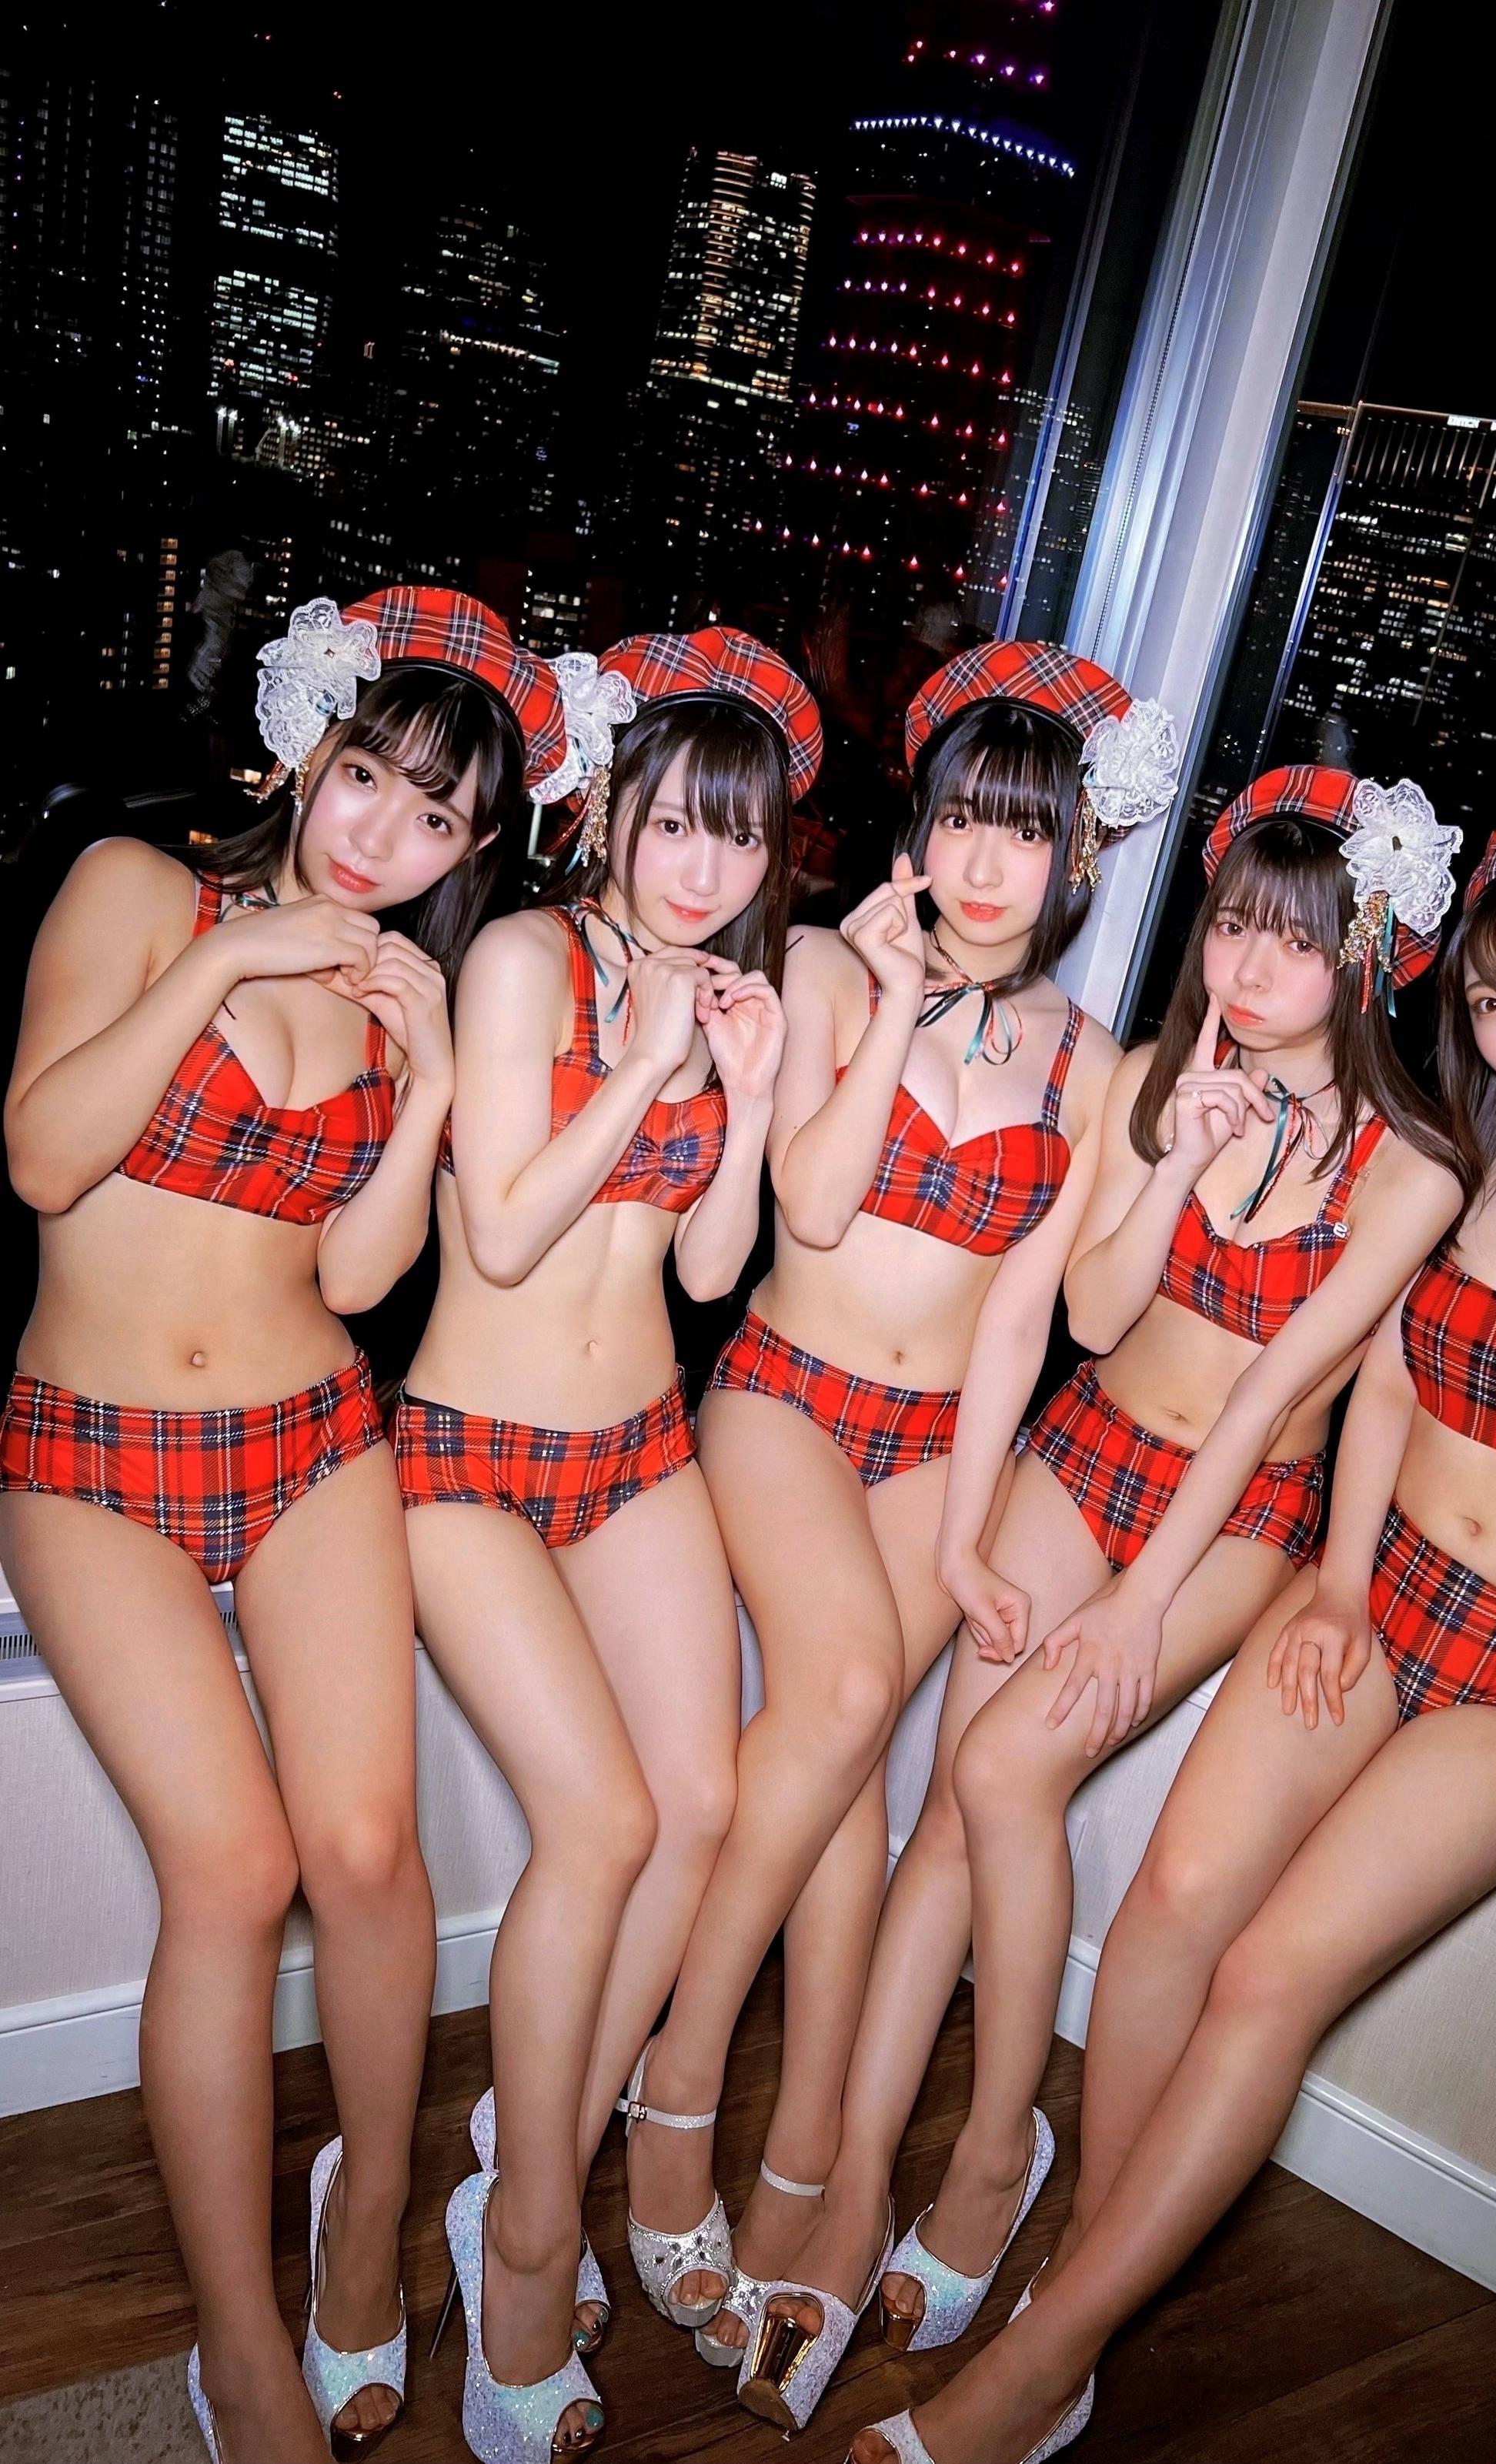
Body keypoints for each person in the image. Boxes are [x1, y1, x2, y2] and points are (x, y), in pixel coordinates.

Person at [853, 787, 1496, 2464]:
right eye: (1492, 995)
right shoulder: (1493, 1151)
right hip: (1379, 1587)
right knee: (1165, 1916)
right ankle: (1086, 2259)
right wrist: (1343, 1579)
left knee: (1269, 1974)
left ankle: (1039, 2356)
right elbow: (1391, 1382)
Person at [778, 763, 1463, 2418]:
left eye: (1295, 940)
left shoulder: (1415, 1165)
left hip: (1233, 1517)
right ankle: (859, 2182)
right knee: (947, 1813)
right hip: (1088, 1443)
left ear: (1368, 954)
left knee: (1006, 1766)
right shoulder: (1157, 1076)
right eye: (1233, 927)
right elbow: (1088, 1314)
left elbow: (1274, 1390)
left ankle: (992, 2150)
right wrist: (1170, 1157)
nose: (1251, 967)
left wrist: (1142, 1602)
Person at [0, 588, 565, 2464]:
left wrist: (430, 1088)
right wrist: (227, 959)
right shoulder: (133, 891)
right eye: (369, 775)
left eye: (437, 816)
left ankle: (365, 2225)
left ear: (474, 848)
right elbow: (43, 1154)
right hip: (90, 1454)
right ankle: (238, 2337)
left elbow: (356, 1274)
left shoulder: (401, 1002)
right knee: (236, 1873)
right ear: (307, 746)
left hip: (311, 1434)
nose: (383, 833)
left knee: (372, 1850)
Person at [619, 643, 1177, 2432]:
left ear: (1079, 855)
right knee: (853, 1692)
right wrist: (888, 1003)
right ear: (921, 832)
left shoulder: (1092, 1063)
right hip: (785, 1390)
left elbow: (1031, 1317)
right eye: (963, 821)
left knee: (852, 1778)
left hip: (941, 1445)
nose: (990, 862)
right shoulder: (826, 967)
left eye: (1027, 831)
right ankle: (679, 2086)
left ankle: (813, 2156)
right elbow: (812, 1198)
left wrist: (964, 1530)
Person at [396, 627, 814, 2459]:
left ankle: (536, 2142)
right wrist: (647, 1065)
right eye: (677, 820)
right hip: (468, 1454)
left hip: (639, 1444)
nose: (704, 864)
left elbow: (709, 1267)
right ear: (616, 808)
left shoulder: (728, 989)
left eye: (741, 834)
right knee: (606, 1821)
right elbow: (496, 1233)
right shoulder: (520, 957)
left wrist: (752, 1088)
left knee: (702, 1805)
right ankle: (526, 2236)